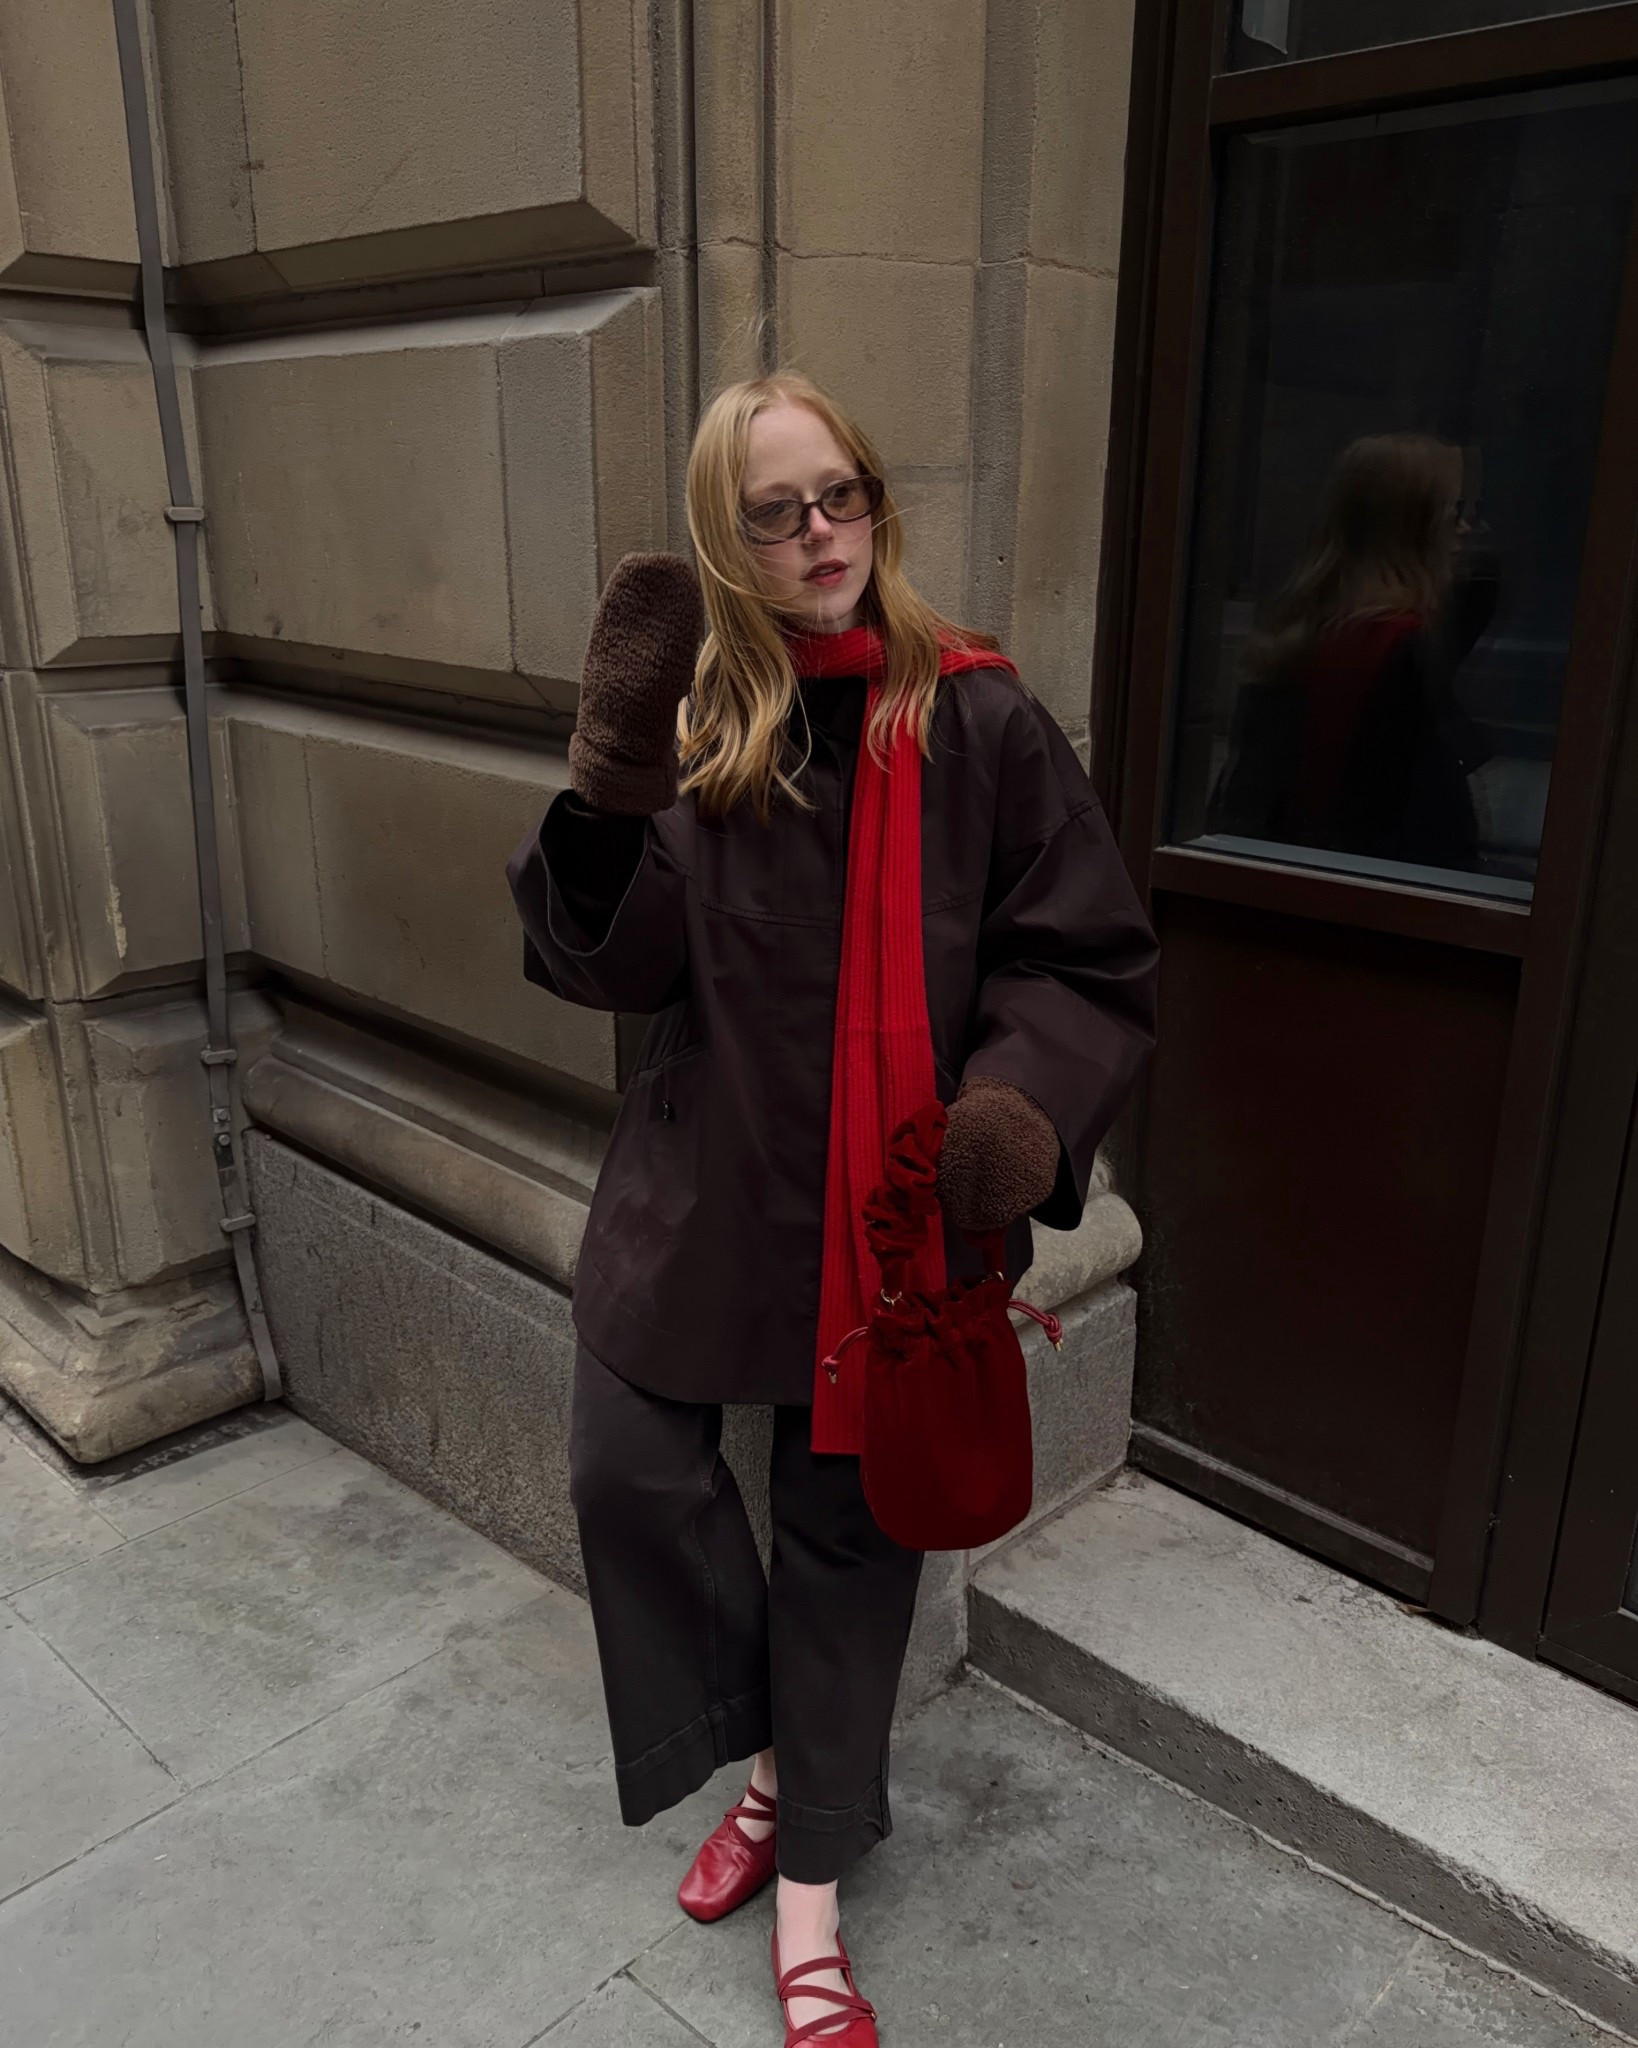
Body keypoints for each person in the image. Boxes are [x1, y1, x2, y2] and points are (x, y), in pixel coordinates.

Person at [507, 371, 1157, 2045]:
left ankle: (806, 1883)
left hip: (893, 1199)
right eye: (776, 511)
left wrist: (1017, 1106)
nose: (820, 536)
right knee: (624, 1458)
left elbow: (1077, 950)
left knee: (845, 1542)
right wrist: (603, 795)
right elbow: (614, 961)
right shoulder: (707, 718)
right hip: (705, 1180)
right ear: (730, 540)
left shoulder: (978, 716)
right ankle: (781, 1756)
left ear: (876, 500)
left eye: (842, 495)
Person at [1208, 432, 1496, 872]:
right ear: (1411, 527)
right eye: (1454, 511)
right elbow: (1439, 830)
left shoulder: (1299, 629)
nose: (1466, 529)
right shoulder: (1400, 646)